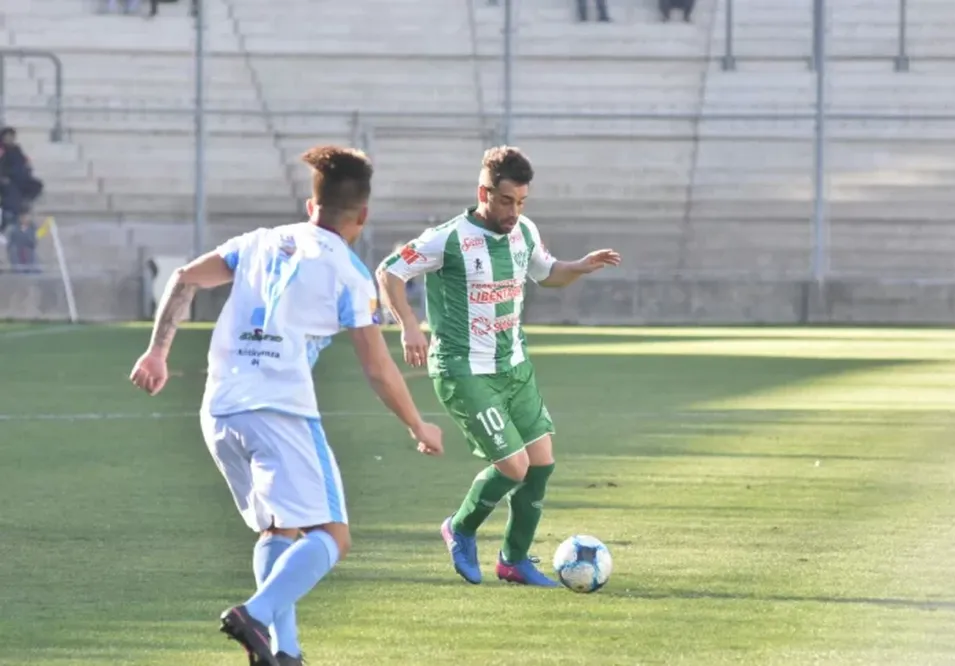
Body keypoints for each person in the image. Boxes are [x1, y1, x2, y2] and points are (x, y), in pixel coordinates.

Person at [128, 145, 444, 666]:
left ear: (309, 203)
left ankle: (284, 652)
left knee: (280, 529)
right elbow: (377, 366)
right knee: (333, 537)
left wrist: (157, 353)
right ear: (361, 216)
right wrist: (418, 424)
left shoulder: (257, 242)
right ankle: (254, 613)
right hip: (281, 411)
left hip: (220, 410)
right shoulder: (349, 273)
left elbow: (184, 277)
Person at [376, 146, 621, 587]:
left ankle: (514, 560)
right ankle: (460, 528)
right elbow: (390, 272)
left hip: (514, 366)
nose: (514, 211)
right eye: (506, 201)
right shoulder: (447, 238)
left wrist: (580, 267)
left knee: (541, 463)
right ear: (483, 192)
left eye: (522, 202)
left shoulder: (524, 231)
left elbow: (548, 274)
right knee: (514, 467)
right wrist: (408, 325)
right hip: (463, 369)